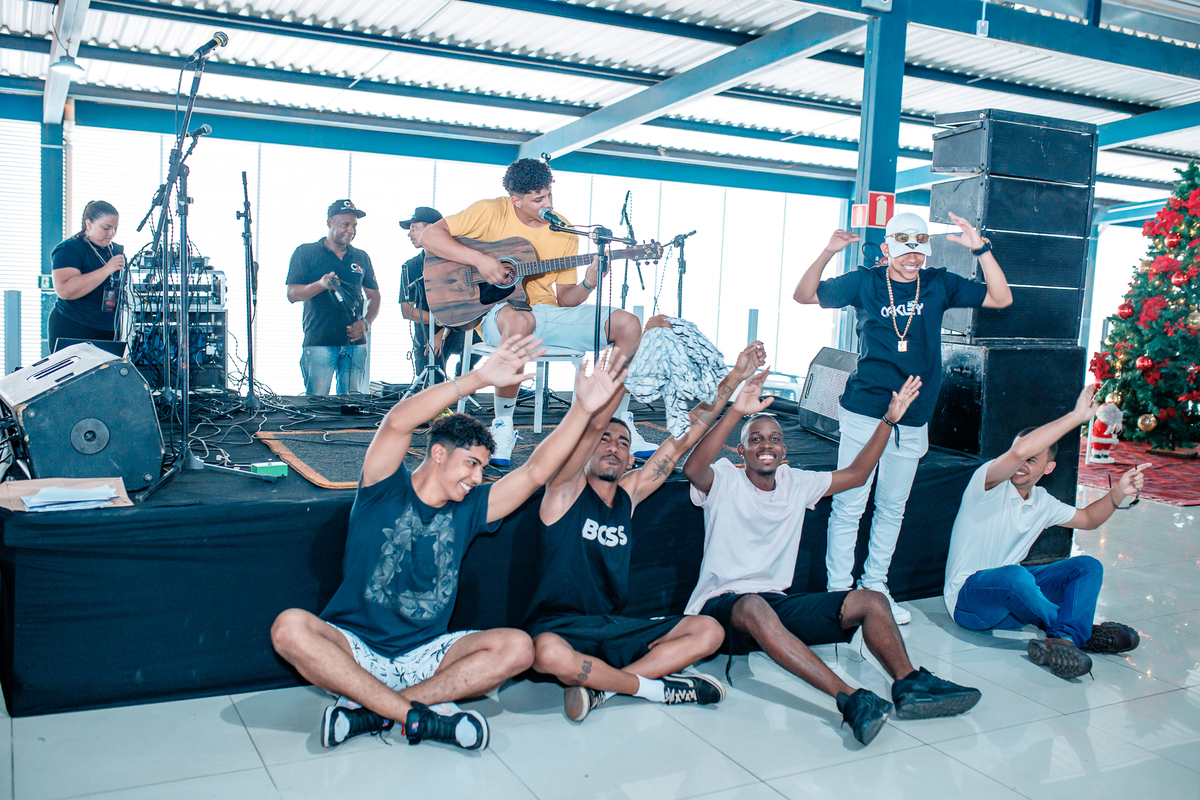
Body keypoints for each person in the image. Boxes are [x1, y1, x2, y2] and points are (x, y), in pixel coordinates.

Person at [271, 334, 627, 752]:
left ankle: (371, 711)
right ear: (438, 454)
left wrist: (582, 408)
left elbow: (534, 472)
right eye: (471, 464)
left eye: (481, 469)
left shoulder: (472, 507)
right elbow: (397, 422)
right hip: (354, 649)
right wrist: (478, 378)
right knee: (289, 628)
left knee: (517, 648)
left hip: (425, 657)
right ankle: (418, 717)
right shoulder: (384, 488)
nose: (477, 477)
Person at [681, 372, 982, 746]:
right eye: (755, 439)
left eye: (774, 438)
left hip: (772, 606)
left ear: (784, 451)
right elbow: (693, 469)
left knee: (872, 601)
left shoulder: (795, 482)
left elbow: (856, 475)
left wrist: (888, 421)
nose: (766, 444)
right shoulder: (726, 479)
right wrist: (736, 412)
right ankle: (851, 699)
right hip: (721, 609)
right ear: (740, 452)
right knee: (754, 605)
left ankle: (909, 684)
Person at [526, 334, 768, 721]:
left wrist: (735, 378)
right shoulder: (564, 491)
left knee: (709, 631)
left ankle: (604, 688)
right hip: (561, 628)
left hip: (613, 627)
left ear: (630, 460)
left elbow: (684, 436)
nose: (612, 446)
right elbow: (589, 429)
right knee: (545, 653)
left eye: (623, 443)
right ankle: (655, 688)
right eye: (605, 439)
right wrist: (629, 365)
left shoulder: (629, 496)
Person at [793, 212, 1013, 624]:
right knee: (850, 504)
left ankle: (875, 588)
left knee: (892, 507)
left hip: (913, 416)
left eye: (919, 250)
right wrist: (828, 252)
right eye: (904, 249)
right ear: (887, 248)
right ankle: (839, 594)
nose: (912, 258)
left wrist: (981, 249)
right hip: (866, 409)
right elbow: (804, 295)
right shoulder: (865, 282)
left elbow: (1001, 298)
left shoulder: (938, 283)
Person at [420, 158, 658, 466]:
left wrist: (589, 281)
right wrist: (480, 261)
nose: (548, 204)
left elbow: (567, 299)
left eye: (549, 195)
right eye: (538, 199)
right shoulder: (489, 211)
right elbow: (429, 236)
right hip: (499, 315)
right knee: (521, 320)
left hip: (548, 314)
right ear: (516, 200)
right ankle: (503, 425)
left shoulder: (564, 230)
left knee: (629, 324)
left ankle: (620, 422)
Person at [945, 384, 1146, 680]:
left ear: (1048, 468)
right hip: (970, 602)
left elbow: (1089, 518)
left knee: (1087, 566)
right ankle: (1079, 635)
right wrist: (1077, 416)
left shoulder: (1043, 502)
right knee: (1016, 576)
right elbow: (1018, 450)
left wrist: (1119, 492)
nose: (1021, 464)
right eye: (1018, 457)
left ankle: (1064, 639)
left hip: (1015, 603)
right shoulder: (986, 484)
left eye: (1032, 460)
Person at [285, 199, 382, 395]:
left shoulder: (361, 257)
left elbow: (374, 296)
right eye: (345, 224)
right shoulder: (306, 252)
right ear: (330, 222)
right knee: (317, 403)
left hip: (355, 345)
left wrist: (365, 323)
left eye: (354, 225)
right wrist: (320, 285)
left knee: (352, 403)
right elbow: (292, 294)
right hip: (320, 342)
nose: (351, 230)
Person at [399, 206, 470, 384]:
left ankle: (463, 376)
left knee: (479, 336)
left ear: (431, 229)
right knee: (429, 384)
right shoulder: (410, 267)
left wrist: (442, 333)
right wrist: (438, 322)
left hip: (457, 327)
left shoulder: (457, 260)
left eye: (414, 228)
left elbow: (467, 306)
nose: (409, 234)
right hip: (426, 330)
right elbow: (407, 311)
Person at [49, 200, 125, 350]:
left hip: (109, 327)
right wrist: (106, 270)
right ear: (89, 224)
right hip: (74, 325)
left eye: (115, 228)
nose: (112, 233)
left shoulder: (114, 250)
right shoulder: (69, 249)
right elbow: (65, 290)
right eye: (106, 228)